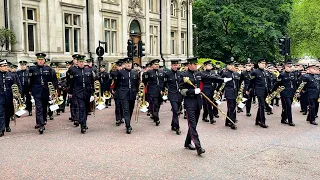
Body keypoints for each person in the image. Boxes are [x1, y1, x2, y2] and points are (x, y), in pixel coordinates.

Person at [179, 57, 230, 155]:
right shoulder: (183, 75)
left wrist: (222, 79)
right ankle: (199, 147)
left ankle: (187, 142)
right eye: (194, 64)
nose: (196, 65)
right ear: (189, 65)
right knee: (192, 125)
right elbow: (181, 90)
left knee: (193, 125)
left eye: (196, 64)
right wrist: (193, 91)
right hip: (189, 103)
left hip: (198, 102)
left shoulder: (198, 74)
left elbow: (210, 77)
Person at [28, 53, 58, 134]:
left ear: (44, 60)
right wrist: (30, 90)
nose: (40, 61)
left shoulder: (49, 69)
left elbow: (53, 80)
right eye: (39, 60)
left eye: (42, 60)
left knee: (44, 107)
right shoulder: (32, 69)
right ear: (37, 60)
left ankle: (43, 119)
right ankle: (41, 124)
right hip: (36, 91)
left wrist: (54, 90)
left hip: (46, 90)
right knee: (39, 107)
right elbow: (30, 81)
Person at [68, 55, 94, 133]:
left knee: (86, 108)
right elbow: (71, 83)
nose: (81, 63)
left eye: (82, 62)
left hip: (87, 92)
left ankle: (84, 122)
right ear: (77, 63)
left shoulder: (88, 70)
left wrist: (93, 92)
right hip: (78, 92)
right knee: (81, 108)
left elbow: (92, 82)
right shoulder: (74, 71)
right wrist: (70, 92)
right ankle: (82, 125)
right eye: (80, 62)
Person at [113, 58, 139, 134]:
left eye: (130, 63)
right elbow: (117, 83)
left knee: (131, 109)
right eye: (127, 63)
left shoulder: (135, 73)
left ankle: (128, 121)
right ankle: (128, 126)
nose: (128, 65)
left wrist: (137, 92)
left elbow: (137, 83)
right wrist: (115, 90)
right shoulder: (120, 72)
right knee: (126, 109)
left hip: (132, 94)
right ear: (125, 64)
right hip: (123, 94)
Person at [247, 58, 269, 128]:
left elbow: (267, 82)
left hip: (265, 90)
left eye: (264, 64)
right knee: (262, 105)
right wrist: (248, 89)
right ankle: (262, 122)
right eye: (262, 63)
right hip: (259, 91)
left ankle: (257, 120)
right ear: (259, 64)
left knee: (261, 105)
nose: (264, 65)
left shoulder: (265, 72)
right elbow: (251, 82)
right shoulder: (255, 72)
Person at [272, 60, 296, 126]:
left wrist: (296, 92)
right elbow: (277, 83)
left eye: (291, 66)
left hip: (291, 93)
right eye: (288, 66)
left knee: (286, 107)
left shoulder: (292, 74)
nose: (290, 68)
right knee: (288, 107)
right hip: (284, 93)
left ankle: (283, 119)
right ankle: (290, 121)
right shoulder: (282, 75)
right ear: (285, 67)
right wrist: (272, 91)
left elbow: (294, 84)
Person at [142, 59, 165, 126]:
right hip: (152, 91)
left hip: (160, 92)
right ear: (152, 65)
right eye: (155, 64)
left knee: (158, 104)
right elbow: (144, 82)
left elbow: (164, 82)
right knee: (155, 104)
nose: (157, 65)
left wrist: (163, 90)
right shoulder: (148, 72)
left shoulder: (162, 72)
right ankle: (156, 117)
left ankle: (155, 114)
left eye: (158, 64)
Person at [164, 59, 183, 135]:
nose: (175, 66)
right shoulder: (168, 74)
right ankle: (177, 127)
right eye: (174, 65)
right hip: (172, 94)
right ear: (171, 66)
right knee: (175, 110)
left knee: (177, 110)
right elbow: (164, 83)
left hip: (179, 94)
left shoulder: (180, 73)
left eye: (176, 65)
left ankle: (173, 124)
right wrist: (164, 91)